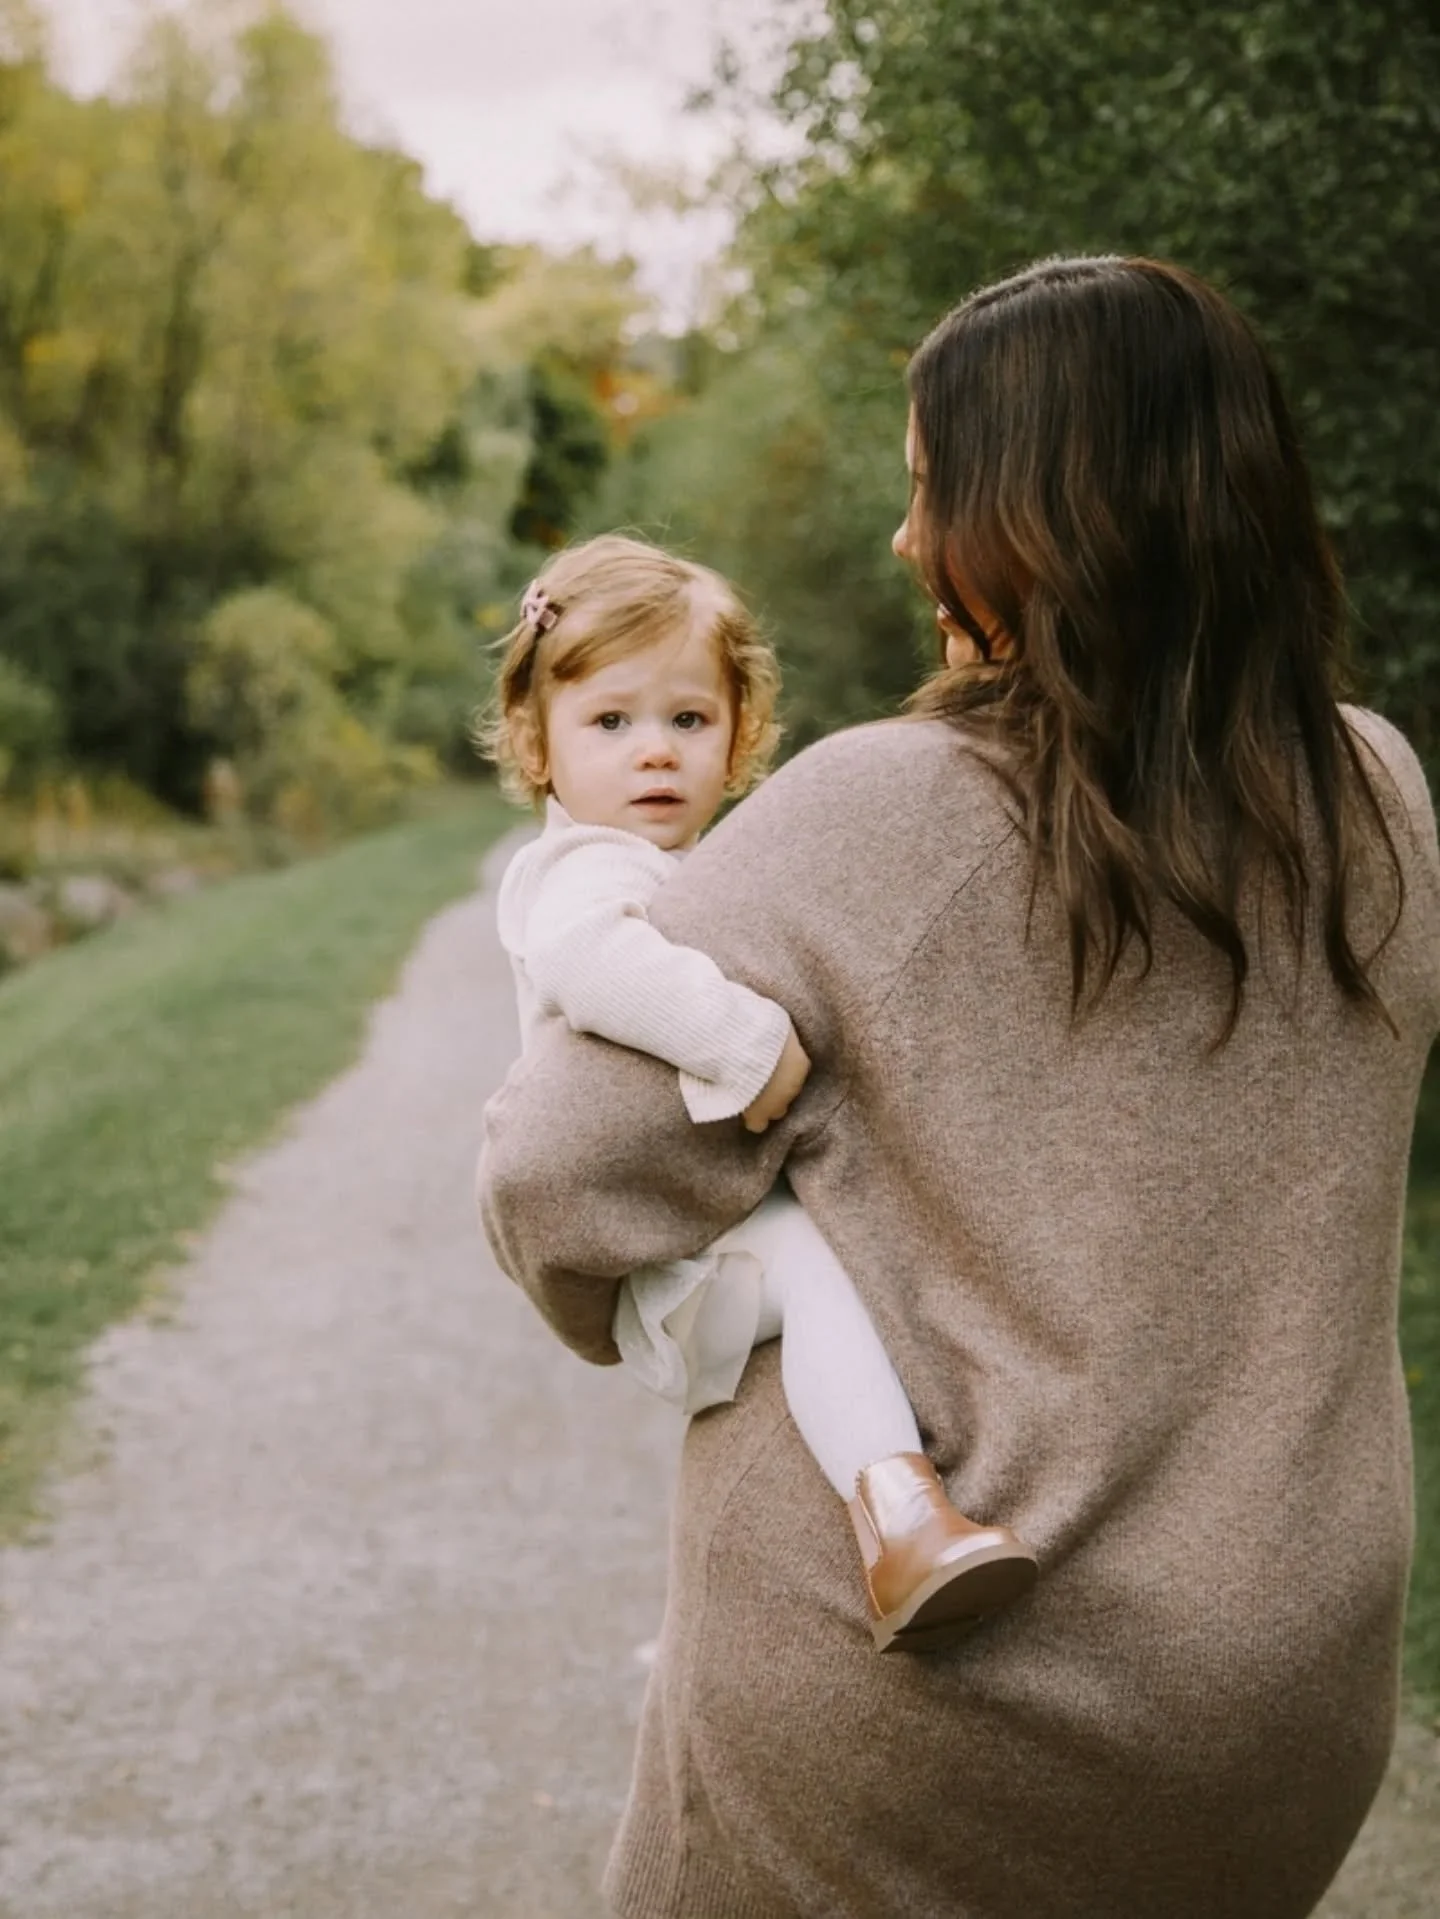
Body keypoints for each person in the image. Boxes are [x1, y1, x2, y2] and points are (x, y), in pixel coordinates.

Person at [478, 257, 1440, 1919]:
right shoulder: (1384, 796)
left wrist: (680, 1266)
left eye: (938, 493)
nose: (908, 542)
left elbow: (558, 1169)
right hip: (1286, 1701)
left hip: (916, 1719)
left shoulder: (882, 810)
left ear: (1045, 516)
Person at [477, 532, 1038, 1650]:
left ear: (739, 738)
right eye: (612, 721)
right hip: (670, 1262)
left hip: (703, 1229)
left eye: (688, 719)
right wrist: (743, 1041)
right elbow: (596, 964)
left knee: (840, 1268)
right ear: (539, 745)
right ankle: (899, 1515)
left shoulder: (677, 862)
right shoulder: (584, 869)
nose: (655, 752)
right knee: (817, 1272)